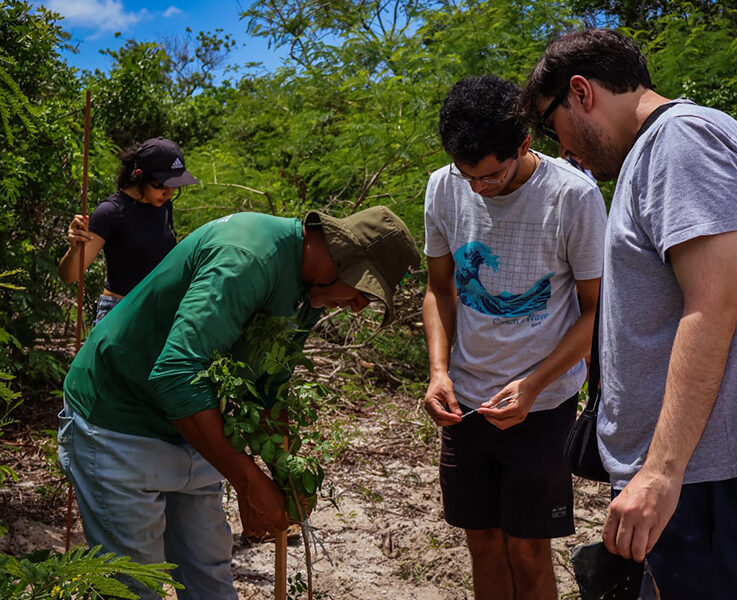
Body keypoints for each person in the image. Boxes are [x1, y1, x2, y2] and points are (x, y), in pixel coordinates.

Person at [521, 28, 737, 599]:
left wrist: (661, 471)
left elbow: (713, 303)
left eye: (556, 128)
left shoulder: (682, 143)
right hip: (683, 486)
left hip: (707, 489)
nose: (564, 153)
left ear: (581, 92)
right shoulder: (657, 153)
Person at [58, 206, 420, 600]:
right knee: (134, 587)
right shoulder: (247, 257)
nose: (358, 307)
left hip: (192, 424)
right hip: (118, 418)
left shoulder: (310, 291)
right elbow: (176, 375)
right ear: (342, 258)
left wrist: (284, 473)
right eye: (363, 292)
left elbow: (268, 387)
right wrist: (249, 483)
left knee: (209, 582)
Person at [422, 75, 606, 600]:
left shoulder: (573, 196)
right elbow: (439, 290)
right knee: (481, 540)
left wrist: (533, 385)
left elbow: (596, 311)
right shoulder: (443, 187)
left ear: (525, 144)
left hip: (543, 406)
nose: (478, 188)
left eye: (491, 176)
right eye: (467, 176)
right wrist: (439, 370)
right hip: (467, 401)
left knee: (528, 549)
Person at [58, 137, 198, 324]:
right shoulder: (110, 212)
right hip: (120, 312)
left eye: (174, 186)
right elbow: (69, 276)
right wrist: (75, 248)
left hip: (156, 313)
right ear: (139, 175)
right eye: (162, 185)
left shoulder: (164, 207)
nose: (169, 193)